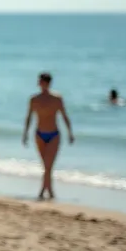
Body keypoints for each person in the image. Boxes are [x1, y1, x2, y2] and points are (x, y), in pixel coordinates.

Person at [23, 72, 75, 200]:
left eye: (42, 81)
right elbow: (29, 117)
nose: (40, 83)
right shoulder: (34, 99)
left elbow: (64, 116)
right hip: (39, 134)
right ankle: (50, 192)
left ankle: (42, 192)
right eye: (39, 81)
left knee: (48, 165)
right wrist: (25, 133)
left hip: (54, 135)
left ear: (47, 83)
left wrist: (70, 133)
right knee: (46, 166)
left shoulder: (57, 98)